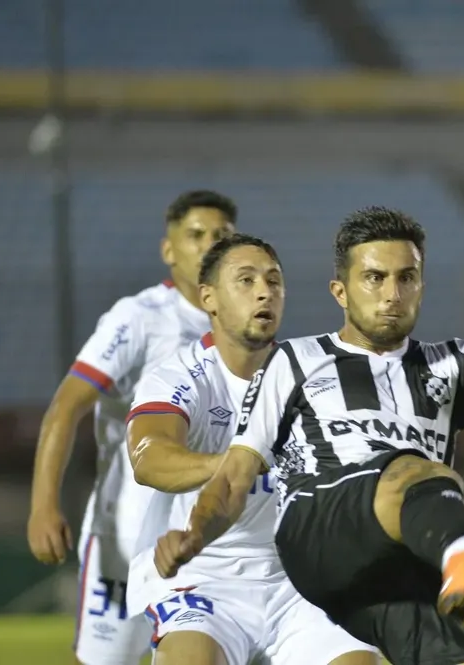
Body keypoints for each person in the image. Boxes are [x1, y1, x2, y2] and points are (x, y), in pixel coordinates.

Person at [152, 206, 464, 665]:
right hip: (322, 532)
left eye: (406, 278)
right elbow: (235, 476)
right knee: (411, 468)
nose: (392, 293)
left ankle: (459, 562)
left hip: (410, 562)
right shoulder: (293, 361)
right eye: (374, 278)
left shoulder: (453, 364)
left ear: (421, 285)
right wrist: (196, 533)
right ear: (340, 291)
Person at [124, 233, 379, 665]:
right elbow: (149, 458)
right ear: (210, 298)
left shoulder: (316, 378)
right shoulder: (180, 378)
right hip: (205, 577)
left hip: (301, 582)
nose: (265, 291)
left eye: (274, 281)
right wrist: (243, 458)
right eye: (245, 280)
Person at [26, 190, 236, 665]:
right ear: (169, 250)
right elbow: (65, 408)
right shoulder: (139, 319)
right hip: (126, 532)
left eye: (221, 235)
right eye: (195, 234)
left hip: (205, 535)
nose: (208, 244)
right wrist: (43, 505)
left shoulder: (245, 327)